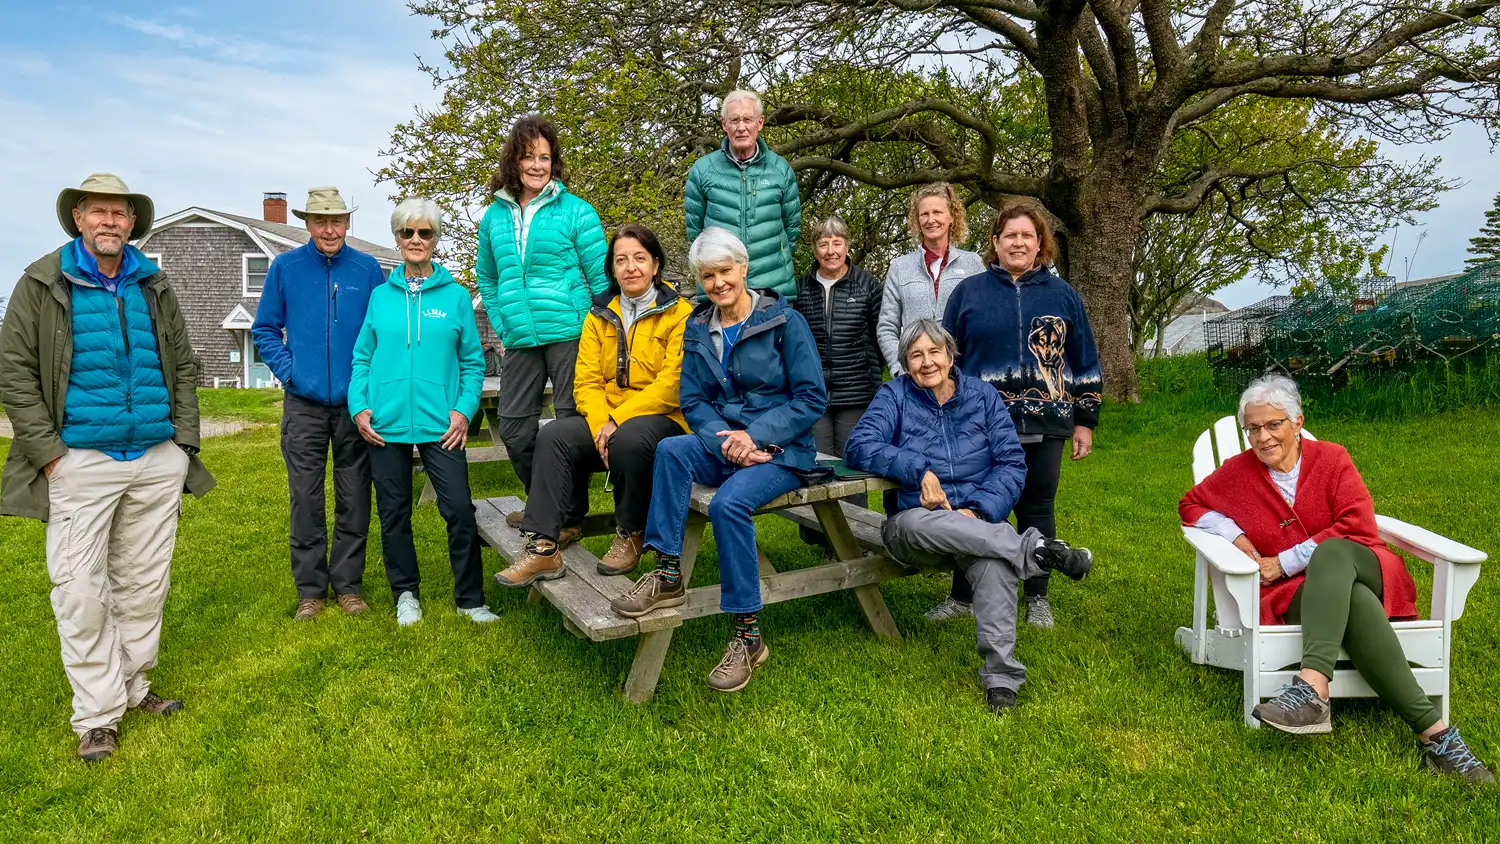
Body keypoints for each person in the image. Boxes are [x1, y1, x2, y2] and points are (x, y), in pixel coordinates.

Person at [1179, 375, 1493, 783]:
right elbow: (1191, 504)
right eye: (1253, 428)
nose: (1262, 436)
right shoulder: (1238, 473)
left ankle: (1311, 686)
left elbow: (1358, 525)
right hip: (1302, 594)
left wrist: (1287, 559)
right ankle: (1439, 739)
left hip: (1363, 563)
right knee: (1357, 604)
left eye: (1273, 424)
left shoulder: (1331, 458)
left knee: (1331, 552)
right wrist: (1234, 534)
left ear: (1297, 422)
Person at [0, 173, 215, 762]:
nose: (110, 223)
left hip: (153, 457)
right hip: (79, 460)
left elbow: (183, 361)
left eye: (120, 214)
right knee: (81, 592)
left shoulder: (152, 282)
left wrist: (183, 444)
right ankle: (97, 715)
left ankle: (135, 687)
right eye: (99, 212)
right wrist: (48, 455)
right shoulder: (43, 281)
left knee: (144, 585)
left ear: (131, 223)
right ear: (78, 218)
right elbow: (14, 371)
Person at [608, 228, 827, 693]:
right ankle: (668, 573)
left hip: (781, 450)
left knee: (729, 504)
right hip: (725, 444)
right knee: (670, 449)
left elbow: (811, 399)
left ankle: (748, 637)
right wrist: (724, 440)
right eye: (707, 276)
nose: (717, 283)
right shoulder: (697, 326)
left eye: (725, 271)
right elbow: (692, 399)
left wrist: (756, 437)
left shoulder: (785, 321)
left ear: (744, 269)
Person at [846, 319, 1091, 713]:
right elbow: (859, 445)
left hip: (979, 524)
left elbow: (1012, 463)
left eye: (934, 352)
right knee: (920, 523)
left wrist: (977, 509)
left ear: (950, 354)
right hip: (916, 528)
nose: (927, 363)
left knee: (993, 559)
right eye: (915, 355)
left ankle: (1002, 681)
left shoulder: (983, 396)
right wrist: (917, 470)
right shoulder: (894, 396)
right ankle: (1037, 550)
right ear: (906, 365)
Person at [494, 224, 693, 586]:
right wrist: (603, 422)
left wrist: (615, 421)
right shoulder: (599, 314)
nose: (630, 267)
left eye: (639, 258)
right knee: (553, 435)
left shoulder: (680, 313)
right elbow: (585, 381)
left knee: (630, 438)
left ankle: (631, 531)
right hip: (609, 422)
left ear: (655, 265)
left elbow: (673, 383)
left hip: (663, 419)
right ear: (612, 269)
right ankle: (543, 546)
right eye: (621, 260)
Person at [936, 200, 1102, 629]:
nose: (1019, 242)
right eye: (1010, 235)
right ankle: (962, 594)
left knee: (1036, 506)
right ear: (995, 242)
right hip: (979, 424)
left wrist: (1085, 420)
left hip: (1046, 422)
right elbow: (946, 357)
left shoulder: (1063, 295)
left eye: (1027, 235)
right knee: (973, 507)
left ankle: (1038, 596)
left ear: (1040, 244)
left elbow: (1084, 361)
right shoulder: (968, 294)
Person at [348, 199, 496, 627]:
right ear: (397, 239)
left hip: (441, 423)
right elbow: (362, 358)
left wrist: (464, 411)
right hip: (386, 423)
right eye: (408, 233)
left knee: (459, 510)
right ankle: (405, 595)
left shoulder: (455, 298)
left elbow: (472, 362)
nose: (416, 240)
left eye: (425, 233)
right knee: (394, 512)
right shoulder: (380, 297)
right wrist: (360, 407)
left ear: (435, 240)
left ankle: (470, 600)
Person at [251, 186, 385, 621]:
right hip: (303, 404)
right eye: (320, 221)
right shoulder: (285, 267)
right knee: (305, 498)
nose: (329, 229)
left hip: (355, 404)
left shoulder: (367, 270)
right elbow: (265, 330)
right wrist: (291, 373)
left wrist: (368, 386)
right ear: (306, 224)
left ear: (348, 223)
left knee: (354, 496)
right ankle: (311, 590)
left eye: (337, 220)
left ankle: (348, 585)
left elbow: (381, 332)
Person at [475, 115, 609, 523]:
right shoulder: (493, 217)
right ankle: (543, 506)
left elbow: (601, 277)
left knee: (570, 427)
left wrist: (598, 326)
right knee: (515, 428)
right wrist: (502, 322)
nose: (537, 165)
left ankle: (568, 516)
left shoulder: (577, 212)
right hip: (519, 339)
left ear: (555, 163)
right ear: (513, 161)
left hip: (571, 332)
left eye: (545, 158)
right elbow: (488, 277)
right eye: (528, 157)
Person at [791, 215, 883, 550]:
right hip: (813, 394)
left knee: (851, 467)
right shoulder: (801, 288)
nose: (831, 250)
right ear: (815, 248)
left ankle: (855, 538)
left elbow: (879, 337)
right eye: (823, 243)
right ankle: (822, 538)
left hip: (855, 391)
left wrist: (870, 378)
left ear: (847, 244)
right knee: (816, 463)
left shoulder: (868, 285)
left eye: (837, 242)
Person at [684, 89, 802, 300]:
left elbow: (792, 229)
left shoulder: (781, 171)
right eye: (734, 120)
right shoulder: (702, 171)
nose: (741, 127)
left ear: (760, 123)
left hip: (772, 290)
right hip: (719, 293)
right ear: (724, 125)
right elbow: (695, 234)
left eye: (747, 119)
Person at [875, 182, 984, 377]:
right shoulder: (900, 268)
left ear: (951, 217)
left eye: (937, 212)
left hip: (963, 377)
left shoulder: (973, 264)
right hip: (916, 378)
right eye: (924, 214)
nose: (931, 219)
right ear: (917, 220)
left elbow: (984, 321)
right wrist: (900, 368)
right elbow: (886, 327)